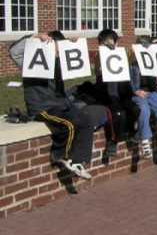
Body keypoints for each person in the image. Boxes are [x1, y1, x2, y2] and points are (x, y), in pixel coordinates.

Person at [9, 31, 108, 179]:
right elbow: (14, 51)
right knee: (68, 125)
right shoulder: (30, 59)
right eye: (57, 47)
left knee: (86, 121)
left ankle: (77, 161)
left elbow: (77, 65)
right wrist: (35, 38)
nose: (58, 51)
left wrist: (74, 46)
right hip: (42, 107)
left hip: (61, 104)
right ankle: (61, 156)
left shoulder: (59, 61)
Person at [94, 29, 138, 157]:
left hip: (122, 92)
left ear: (116, 44)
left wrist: (132, 57)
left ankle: (132, 134)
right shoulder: (99, 57)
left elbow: (130, 67)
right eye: (104, 44)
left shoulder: (121, 56)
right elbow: (98, 71)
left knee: (134, 109)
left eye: (110, 44)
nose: (107, 47)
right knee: (116, 113)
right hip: (107, 95)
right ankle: (112, 141)